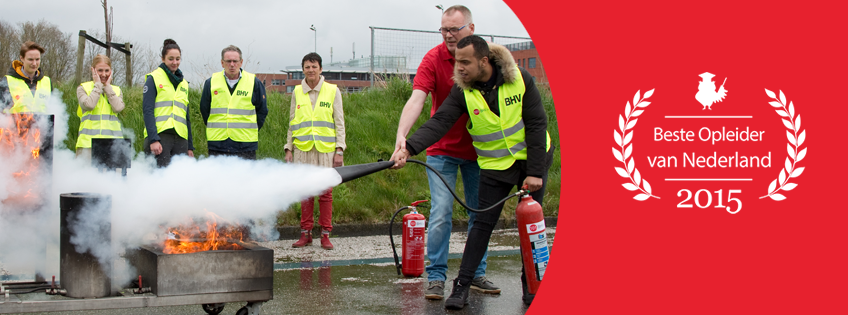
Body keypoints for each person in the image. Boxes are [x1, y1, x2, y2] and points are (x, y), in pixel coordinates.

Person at [391, 35, 554, 310]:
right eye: (457, 61)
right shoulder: (462, 90)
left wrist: (536, 172)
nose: (459, 67)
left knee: (532, 227)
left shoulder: (520, 78)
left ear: (484, 61)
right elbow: (440, 121)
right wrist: (409, 148)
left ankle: (532, 286)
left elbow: (537, 123)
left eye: (465, 62)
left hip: (532, 161)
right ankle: (462, 286)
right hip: (495, 167)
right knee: (481, 226)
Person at [390, 5, 497, 300]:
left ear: (471, 30)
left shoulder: (486, 60)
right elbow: (417, 99)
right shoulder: (433, 59)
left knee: (480, 213)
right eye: (444, 29)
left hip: (481, 151)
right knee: (441, 213)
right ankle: (436, 276)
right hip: (442, 150)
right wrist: (402, 136)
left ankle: (476, 273)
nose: (449, 36)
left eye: (455, 29)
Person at [285, 53, 346, 250]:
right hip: (303, 150)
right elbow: (292, 123)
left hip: (325, 151)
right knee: (306, 192)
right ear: (303, 69)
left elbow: (339, 122)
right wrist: (289, 148)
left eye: (314, 66)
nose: (310, 70)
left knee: (325, 193)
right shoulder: (296, 92)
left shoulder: (332, 91)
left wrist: (340, 149)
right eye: (307, 67)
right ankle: (305, 234)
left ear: (320, 69)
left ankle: (326, 234)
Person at [199, 45, 268, 160]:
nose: (232, 64)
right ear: (222, 63)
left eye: (235, 61)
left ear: (241, 62)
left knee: (245, 178)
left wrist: (249, 128)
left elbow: (262, 110)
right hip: (217, 144)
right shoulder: (211, 82)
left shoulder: (254, 82)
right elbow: (204, 109)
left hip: (246, 145)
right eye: (228, 61)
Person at [143, 39, 194, 167]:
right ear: (163, 59)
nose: (175, 62)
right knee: (158, 179)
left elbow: (186, 117)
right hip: (160, 137)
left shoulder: (184, 84)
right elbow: (147, 110)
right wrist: (153, 139)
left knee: (179, 179)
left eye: (178, 59)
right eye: (171, 59)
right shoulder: (153, 78)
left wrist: (190, 147)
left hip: (181, 138)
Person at [75, 54, 125, 162]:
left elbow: (118, 108)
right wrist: (97, 85)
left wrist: (107, 87)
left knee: (113, 178)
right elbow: (89, 105)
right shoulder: (83, 88)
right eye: (100, 70)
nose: (104, 74)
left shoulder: (116, 90)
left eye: (107, 71)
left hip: (113, 144)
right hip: (88, 146)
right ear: (93, 70)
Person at [1, 41, 52, 113]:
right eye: (30, 59)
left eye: (37, 59)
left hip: (43, 124)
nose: (34, 63)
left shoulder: (47, 82)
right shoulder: (7, 81)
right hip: (14, 124)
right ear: (22, 58)